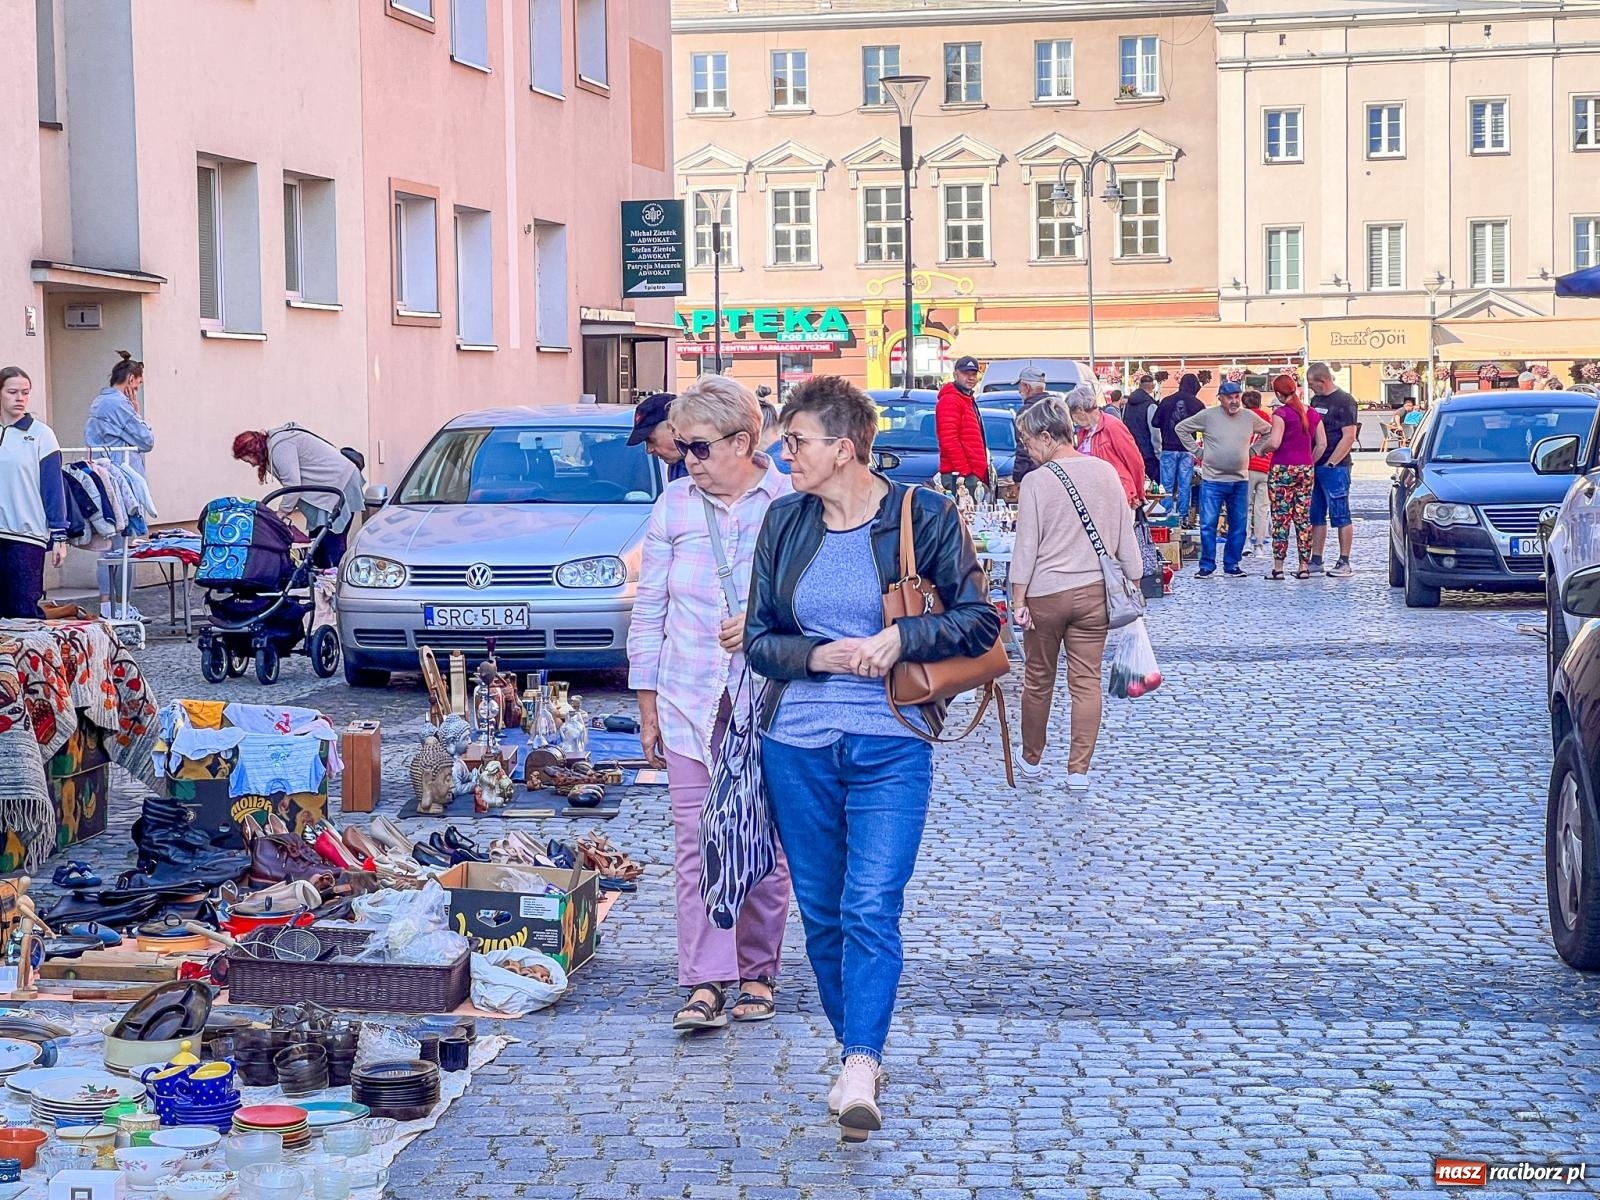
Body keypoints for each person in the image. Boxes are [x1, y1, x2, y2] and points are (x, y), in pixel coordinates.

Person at [745, 375, 997, 1141]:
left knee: (868, 907)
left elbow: (981, 620)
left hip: (893, 741)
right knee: (821, 915)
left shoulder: (925, 514)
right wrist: (818, 656)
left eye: (797, 442)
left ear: (844, 448)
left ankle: (861, 1059)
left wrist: (902, 639)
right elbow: (759, 639)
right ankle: (855, 1050)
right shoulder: (785, 523)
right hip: (795, 744)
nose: (782, 454)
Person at [628, 376, 793, 1036]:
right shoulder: (673, 507)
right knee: (697, 842)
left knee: (763, 842)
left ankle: (758, 970)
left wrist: (760, 617)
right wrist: (646, 704)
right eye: (682, 448)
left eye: (698, 448)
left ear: (743, 442)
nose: (687, 460)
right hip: (689, 697)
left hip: (769, 699)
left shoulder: (787, 502)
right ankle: (704, 981)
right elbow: (650, 609)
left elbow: (813, 600)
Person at [1009, 395, 1141, 789]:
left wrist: (1017, 601)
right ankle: (1078, 770)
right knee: (1087, 681)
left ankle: (1031, 759)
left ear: (1047, 436)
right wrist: (1133, 579)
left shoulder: (1036, 482)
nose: (1029, 452)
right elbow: (1124, 539)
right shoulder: (1105, 473)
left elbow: (1026, 547)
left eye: (1030, 443)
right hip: (1094, 594)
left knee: (1038, 678)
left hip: (1046, 596)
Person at [84, 350, 156, 619]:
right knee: (124, 545)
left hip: (102, 475)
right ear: (130, 379)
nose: (137, 391)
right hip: (120, 478)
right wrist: (137, 414)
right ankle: (123, 607)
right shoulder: (119, 405)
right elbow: (146, 441)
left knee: (107, 545)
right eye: (137, 385)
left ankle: (107, 606)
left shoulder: (99, 402)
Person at [230, 424, 365, 568]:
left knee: (331, 539)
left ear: (254, 451)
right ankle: (322, 578)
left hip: (339, 485)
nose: (251, 465)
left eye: (247, 459)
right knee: (317, 542)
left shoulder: (280, 448)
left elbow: (293, 485)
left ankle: (337, 578)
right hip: (331, 487)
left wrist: (281, 513)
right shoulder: (275, 445)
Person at [1176, 380, 1270, 579]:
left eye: (1237, 397)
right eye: (1229, 397)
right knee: (1208, 524)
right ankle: (1207, 565)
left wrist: (1254, 450)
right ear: (1220, 398)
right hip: (1213, 479)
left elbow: (1269, 431)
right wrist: (1198, 452)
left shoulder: (1249, 417)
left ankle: (1232, 564)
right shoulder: (1208, 416)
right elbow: (1181, 428)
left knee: (1238, 524)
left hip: (1240, 479)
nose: (1234, 401)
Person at [0, 367, 68, 619]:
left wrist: (60, 534)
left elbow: (53, 488)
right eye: (12, 392)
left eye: (25, 393)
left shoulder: (41, 435)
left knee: (23, 612)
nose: (20, 398)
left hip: (26, 537)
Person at [1257, 374, 1326, 580]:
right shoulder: (1311, 413)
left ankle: (1278, 567)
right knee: (1303, 519)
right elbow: (1322, 443)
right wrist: (1309, 462)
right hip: (1305, 469)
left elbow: (1275, 442)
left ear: (1278, 393)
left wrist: (1263, 449)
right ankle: (1304, 566)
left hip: (1282, 469)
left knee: (1281, 517)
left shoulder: (1281, 413)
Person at [1306, 362, 1360, 577]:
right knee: (1316, 514)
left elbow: (1348, 437)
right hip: (1316, 463)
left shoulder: (1345, 401)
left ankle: (1344, 561)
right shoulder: (1316, 400)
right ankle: (1316, 558)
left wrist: (1332, 462)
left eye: (1312, 384)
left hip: (1335, 467)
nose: (1311, 388)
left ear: (1323, 381)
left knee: (1340, 513)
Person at [1066, 383, 1145, 507]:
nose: (1073, 420)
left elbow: (1134, 461)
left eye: (1072, 415)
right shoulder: (1083, 431)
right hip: (1094, 497)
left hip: (1116, 495)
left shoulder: (1113, 426)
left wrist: (1138, 493)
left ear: (1081, 411)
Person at [935, 355, 991, 496]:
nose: (971, 377)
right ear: (955, 374)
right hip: (961, 476)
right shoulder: (950, 400)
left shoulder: (966, 399)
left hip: (971, 473)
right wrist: (965, 472)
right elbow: (949, 440)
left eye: (973, 374)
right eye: (966, 373)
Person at [1154, 373, 1204, 526]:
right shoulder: (1198, 404)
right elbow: (1205, 426)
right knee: (1185, 485)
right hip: (1187, 449)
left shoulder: (1167, 401)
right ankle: (1183, 517)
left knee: (1167, 485)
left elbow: (1155, 422)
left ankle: (1165, 516)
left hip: (1168, 448)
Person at [627, 392, 688, 482]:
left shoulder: (709, 461)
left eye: (651, 440)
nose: (649, 450)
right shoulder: (677, 466)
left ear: (674, 427)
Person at [1006, 366, 1053, 484]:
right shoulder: (1057, 408)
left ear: (1027, 387)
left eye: (1020, 386)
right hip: (1057, 472)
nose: (1019, 390)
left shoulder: (1027, 412)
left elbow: (1023, 449)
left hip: (1033, 475)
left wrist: (1017, 478)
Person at [1242, 390, 1273, 558]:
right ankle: (1259, 546)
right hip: (1266, 466)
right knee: (1262, 508)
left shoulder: (1241, 417)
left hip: (1246, 466)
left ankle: (1245, 542)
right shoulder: (1268, 418)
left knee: (1244, 507)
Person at [1123, 373, 1161, 486]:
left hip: (1131, 450)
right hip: (1148, 453)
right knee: (1151, 487)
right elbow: (1155, 432)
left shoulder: (1127, 404)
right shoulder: (1151, 405)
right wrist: (1158, 452)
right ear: (1152, 386)